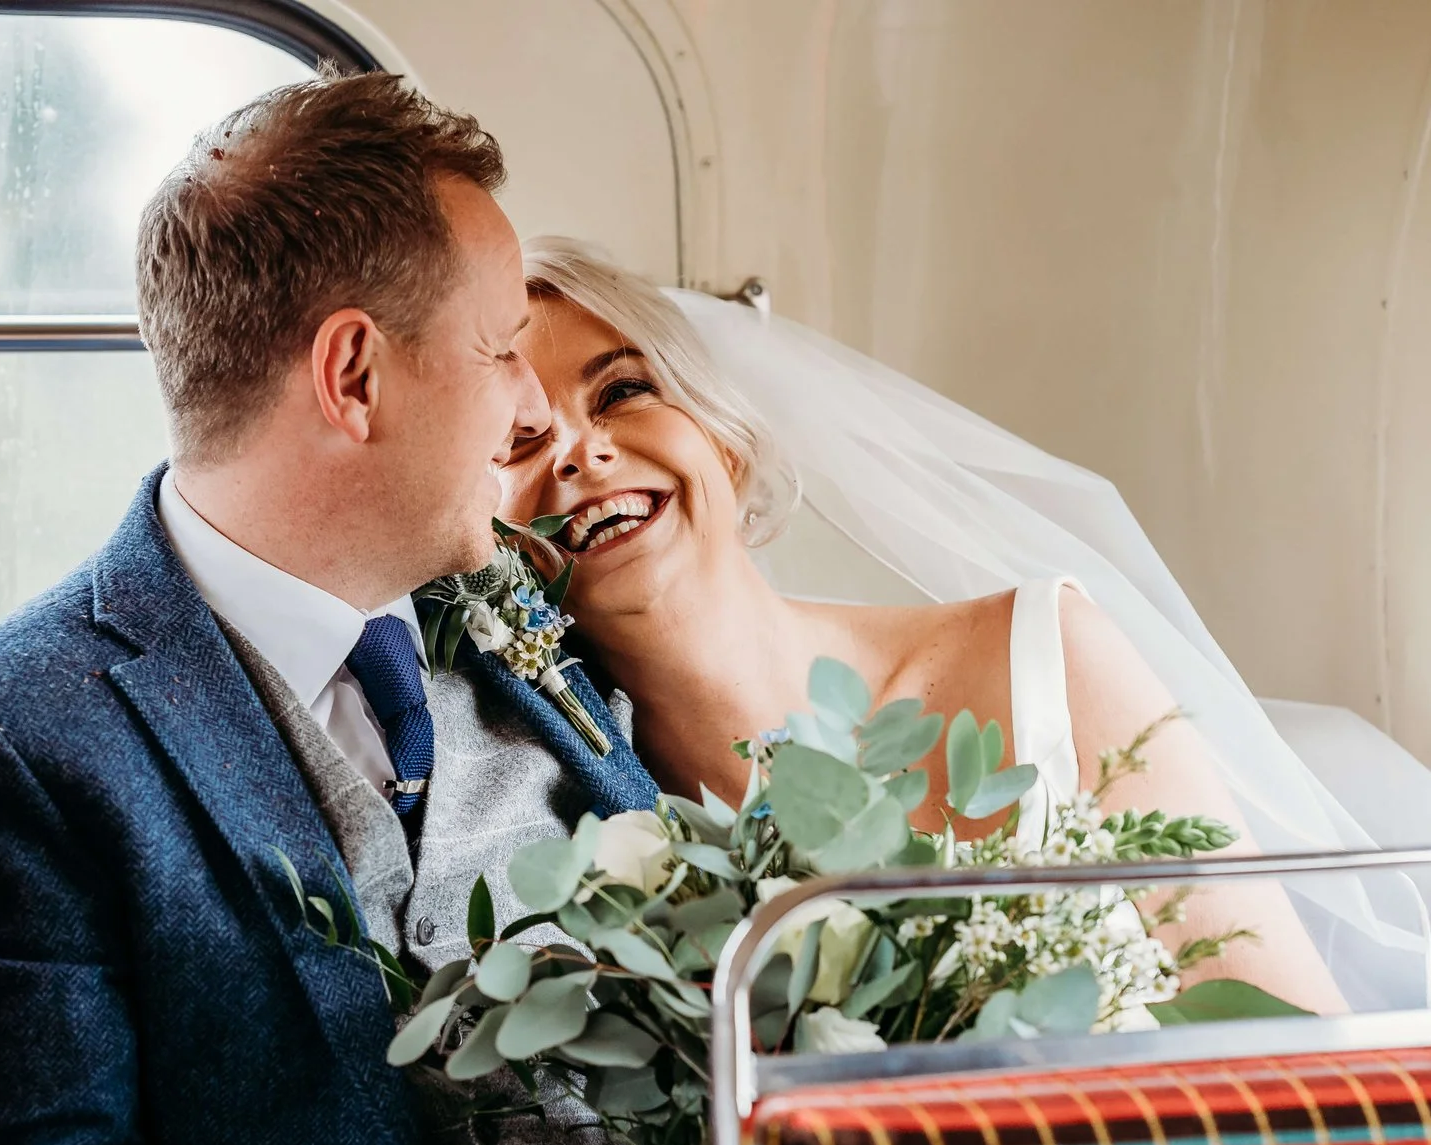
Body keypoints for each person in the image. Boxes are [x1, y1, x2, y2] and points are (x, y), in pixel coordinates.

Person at [0, 79, 723, 1145]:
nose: (532, 421)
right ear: (354, 373)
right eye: (503, 349)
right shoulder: (17, 736)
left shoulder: (533, 638)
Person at [500, 239, 1347, 1014]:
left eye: (622, 392)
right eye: (520, 442)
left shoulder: (1052, 657)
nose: (581, 454)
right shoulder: (582, 847)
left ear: (723, 442)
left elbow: (1307, 1057)